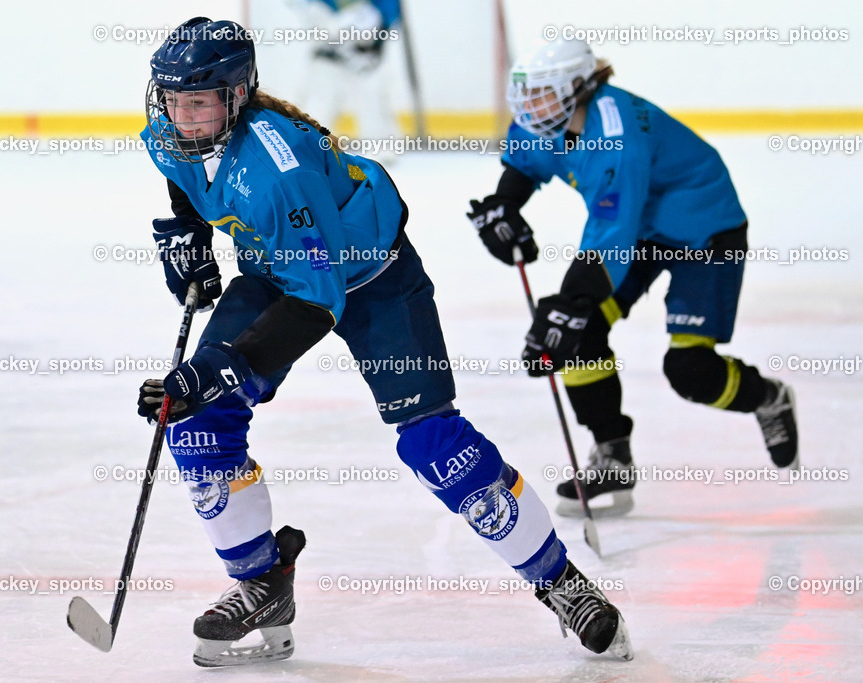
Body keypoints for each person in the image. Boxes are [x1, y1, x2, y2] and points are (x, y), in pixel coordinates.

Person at [134, 18, 632, 668]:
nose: (181, 115)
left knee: (433, 443)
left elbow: (318, 302)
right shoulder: (171, 133)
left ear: (235, 96)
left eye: (197, 102)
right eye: (171, 99)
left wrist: (216, 367)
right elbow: (184, 183)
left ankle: (561, 581)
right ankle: (263, 581)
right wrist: (187, 239)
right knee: (195, 420)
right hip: (277, 268)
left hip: (372, 278)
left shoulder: (280, 168)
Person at [466, 38, 799, 519]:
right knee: (580, 335)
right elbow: (524, 162)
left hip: (702, 229)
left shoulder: (615, 135)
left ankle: (768, 397)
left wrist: (570, 302)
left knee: (690, 371)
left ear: (580, 87)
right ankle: (613, 456)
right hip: (641, 227)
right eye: (527, 95)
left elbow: (610, 233)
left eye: (543, 94)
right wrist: (504, 205)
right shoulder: (548, 120)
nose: (529, 107)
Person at [293, 0, 402, 157]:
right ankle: (307, 146)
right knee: (320, 97)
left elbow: (388, 11)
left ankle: (382, 149)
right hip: (329, 46)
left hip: (363, 49)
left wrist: (379, 20)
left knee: (371, 95)